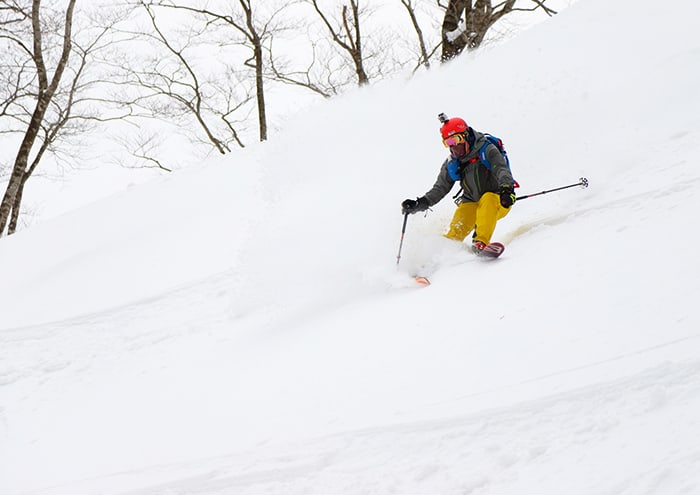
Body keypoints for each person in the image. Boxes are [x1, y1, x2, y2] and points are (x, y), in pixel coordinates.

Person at [401, 114, 516, 253]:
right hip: (471, 202)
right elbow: (440, 188)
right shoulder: (452, 162)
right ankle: (439, 254)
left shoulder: (486, 149)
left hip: (499, 199)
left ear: (466, 135)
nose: (454, 146)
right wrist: (420, 203)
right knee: (456, 230)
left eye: (456, 139)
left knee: (487, 199)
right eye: (448, 143)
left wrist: (506, 190)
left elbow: (501, 170)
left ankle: (481, 242)